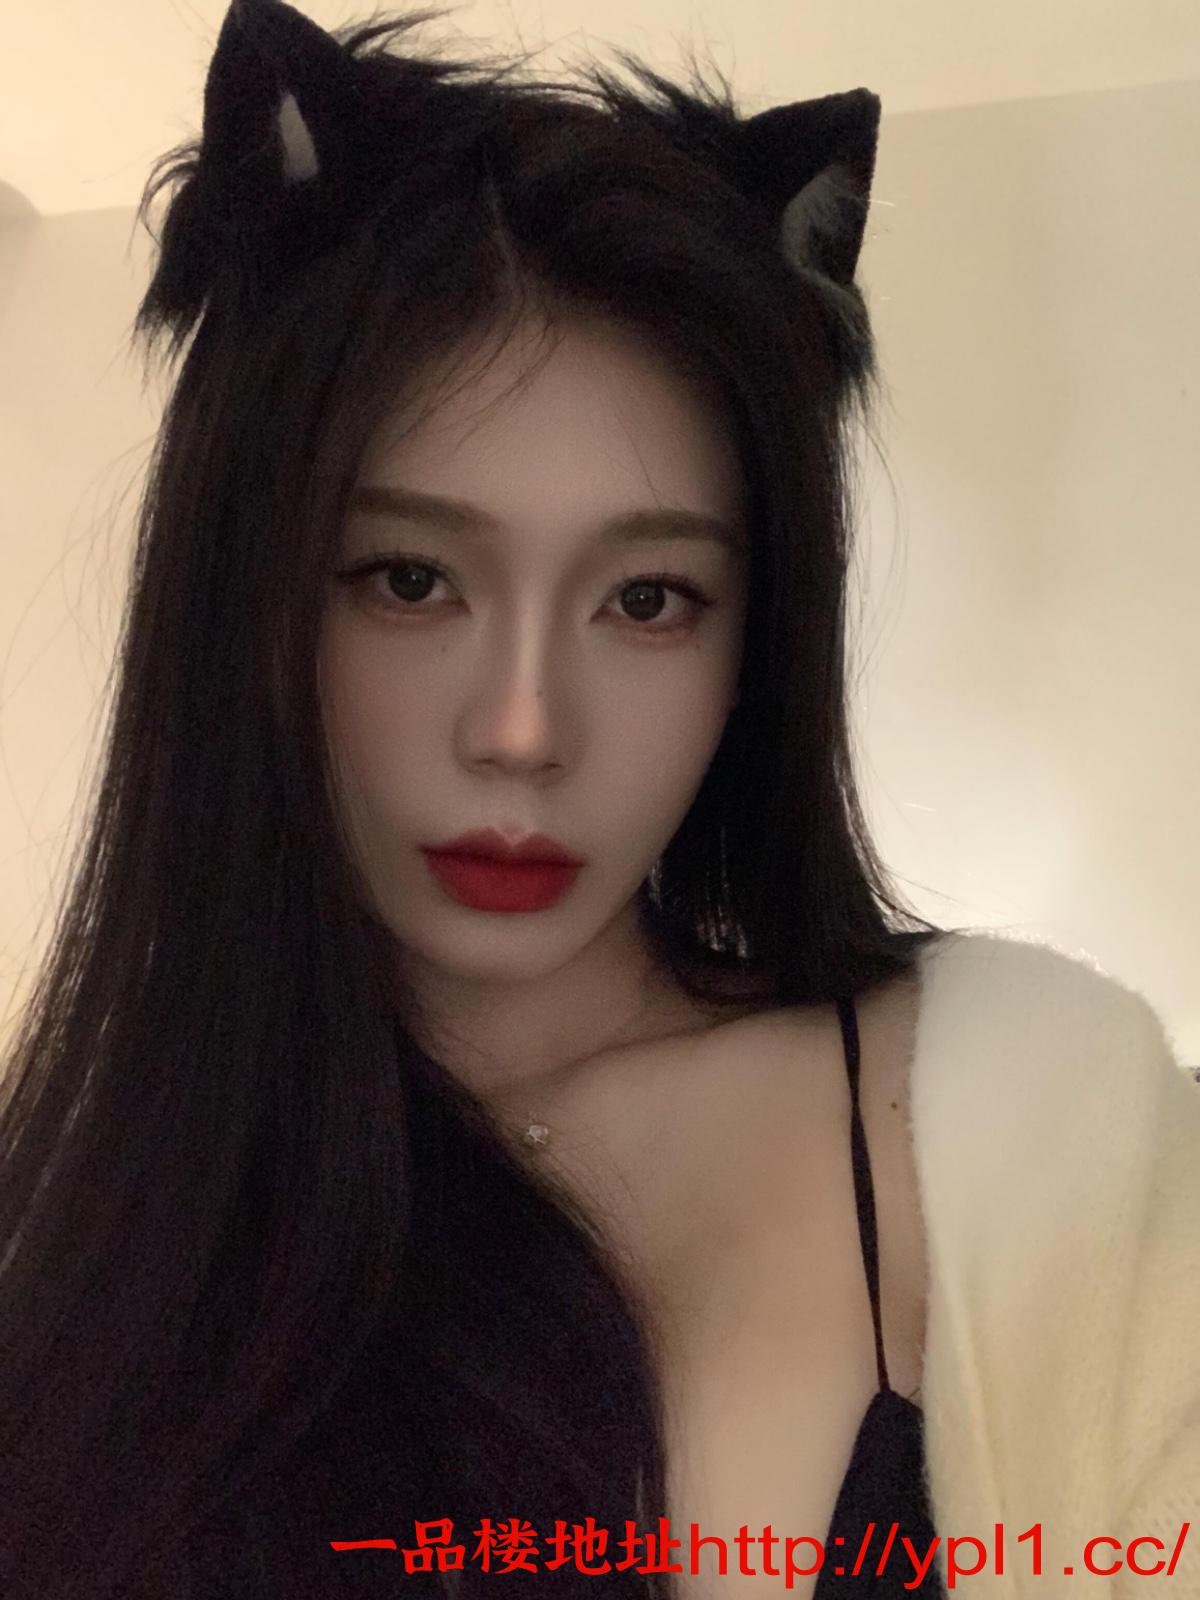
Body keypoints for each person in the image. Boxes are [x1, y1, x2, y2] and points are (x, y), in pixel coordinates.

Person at [2, 3, 1198, 1597]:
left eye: (646, 601)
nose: (522, 732)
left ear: (754, 644)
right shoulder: (84, 1219)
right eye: (410, 579)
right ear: (245, 600)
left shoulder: (1029, 1128)